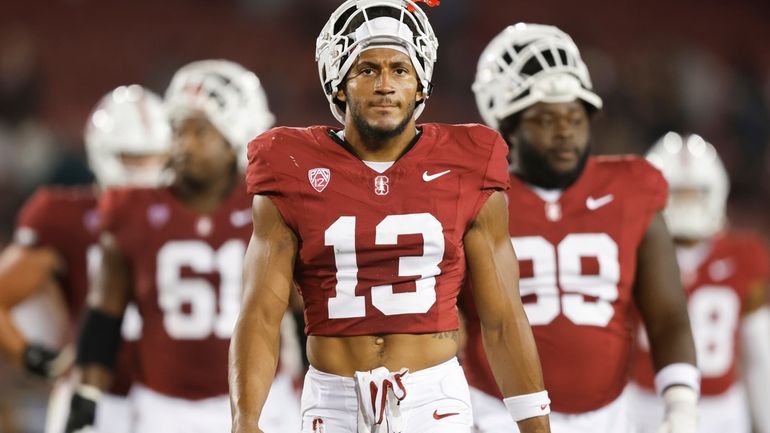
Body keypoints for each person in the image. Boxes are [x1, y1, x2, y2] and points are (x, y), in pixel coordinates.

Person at [230, 2, 552, 433]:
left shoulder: (468, 162)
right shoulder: (288, 163)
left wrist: (534, 424)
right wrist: (245, 420)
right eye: (367, 70)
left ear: (421, 85)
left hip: (434, 398)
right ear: (339, 84)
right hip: (333, 398)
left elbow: (502, 317)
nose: (385, 85)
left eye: (400, 70)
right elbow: (260, 314)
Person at [461, 23, 699, 433]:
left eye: (575, 116)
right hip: (495, 413)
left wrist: (680, 407)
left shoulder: (632, 187)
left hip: (609, 415)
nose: (565, 129)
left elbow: (667, 315)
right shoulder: (474, 195)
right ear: (509, 126)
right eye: (545, 118)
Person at [63, 60, 300, 433]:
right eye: (177, 131)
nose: (183, 144)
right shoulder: (133, 208)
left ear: (234, 140)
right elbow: (104, 315)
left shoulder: (270, 204)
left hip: (263, 399)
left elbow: (306, 307)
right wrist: (86, 396)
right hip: (164, 406)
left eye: (200, 132)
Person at [0, 84, 171, 433]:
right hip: (96, 399)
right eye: (131, 156)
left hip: (177, 400)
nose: (143, 169)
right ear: (102, 153)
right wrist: (30, 356)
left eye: (153, 156)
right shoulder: (63, 216)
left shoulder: (189, 214)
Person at [627, 132, 770, 433]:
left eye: (694, 193)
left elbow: (760, 352)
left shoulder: (745, 256)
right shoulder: (630, 253)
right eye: (678, 193)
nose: (686, 203)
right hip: (646, 403)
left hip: (721, 407)